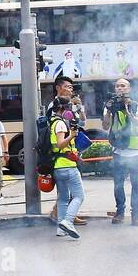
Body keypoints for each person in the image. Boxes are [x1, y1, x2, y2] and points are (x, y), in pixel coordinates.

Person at [102, 78, 138, 226]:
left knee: (136, 185)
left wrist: (128, 111)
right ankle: (120, 213)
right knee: (118, 184)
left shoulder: (137, 106)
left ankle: (135, 215)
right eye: (117, 86)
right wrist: (108, 112)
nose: (120, 88)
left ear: (129, 89)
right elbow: (105, 126)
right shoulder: (111, 106)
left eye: (123, 86)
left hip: (135, 151)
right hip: (119, 151)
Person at [50, 93, 84, 239]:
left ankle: (60, 228)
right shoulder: (60, 123)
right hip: (67, 166)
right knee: (79, 196)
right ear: (63, 108)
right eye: (69, 107)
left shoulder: (52, 121)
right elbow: (60, 143)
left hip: (58, 166)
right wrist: (71, 136)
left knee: (63, 198)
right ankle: (68, 221)